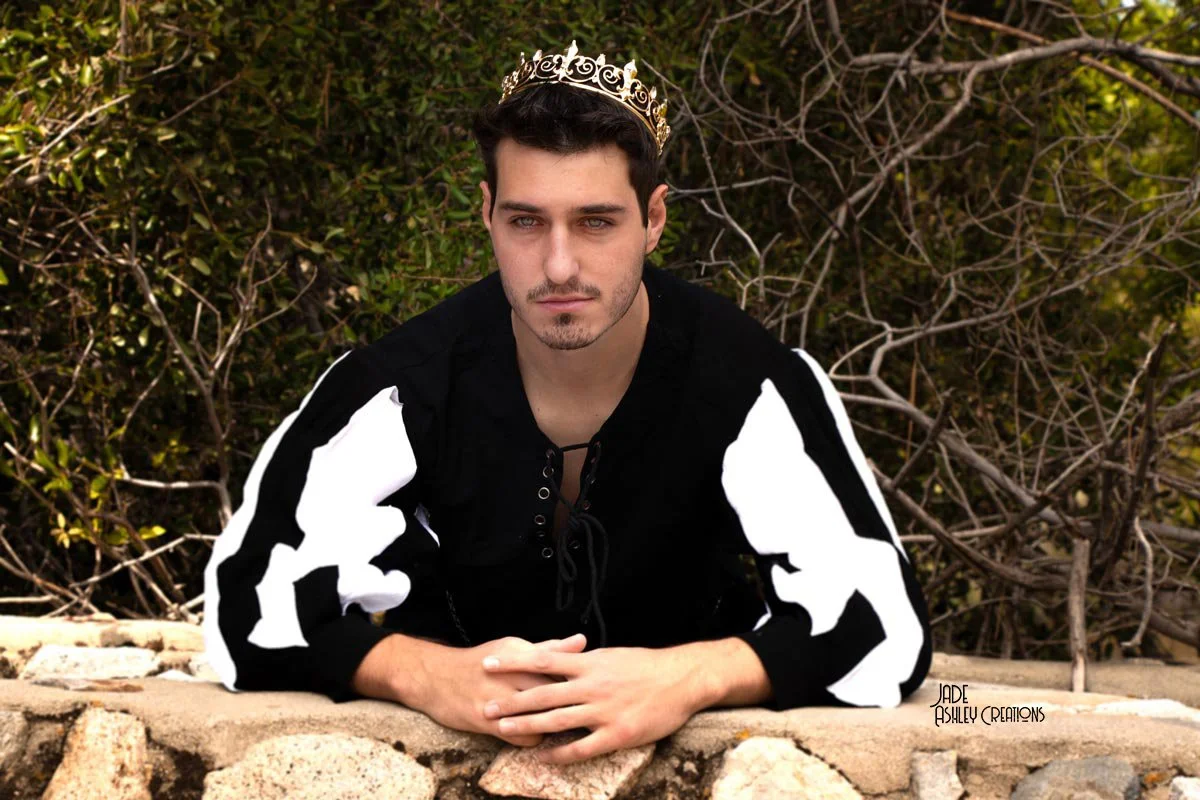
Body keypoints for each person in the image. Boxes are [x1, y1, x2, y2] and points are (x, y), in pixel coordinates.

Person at [202, 40, 932, 765]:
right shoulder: (398, 385)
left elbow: (884, 618)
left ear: (654, 218)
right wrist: (425, 675)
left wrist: (691, 678)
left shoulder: (747, 380)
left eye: (596, 221)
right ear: (487, 213)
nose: (559, 266)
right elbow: (248, 601)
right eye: (527, 221)